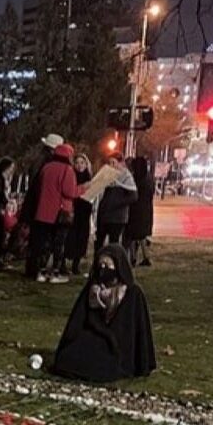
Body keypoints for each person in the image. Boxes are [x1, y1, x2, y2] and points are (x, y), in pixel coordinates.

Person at [52, 244, 157, 382]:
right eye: (100, 265)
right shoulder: (92, 290)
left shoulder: (132, 293)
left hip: (118, 343)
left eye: (108, 265)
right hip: (94, 335)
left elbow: (132, 330)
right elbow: (79, 319)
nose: (103, 269)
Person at [25, 143, 80, 283]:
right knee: (58, 244)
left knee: (45, 244)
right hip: (60, 213)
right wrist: (82, 189)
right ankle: (55, 273)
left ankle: (41, 272)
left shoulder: (47, 167)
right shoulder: (67, 170)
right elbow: (69, 192)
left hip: (43, 212)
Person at [95, 157, 138, 252]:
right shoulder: (105, 175)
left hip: (117, 217)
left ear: (121, 163)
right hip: (104, 215)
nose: (112, 165)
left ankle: (112, 263)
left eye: (114, 162)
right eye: (109, 163)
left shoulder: (126, 177)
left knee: (113, 243)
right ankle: (97, 262)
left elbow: (133, 196)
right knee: (99, 241)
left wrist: (116, 202)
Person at [64, 153, 94, 274]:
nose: (79, 165)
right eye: (77, 163)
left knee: (82, 238)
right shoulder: (72, 176)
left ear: (86, 164)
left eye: (82, 163)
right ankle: (63, 263)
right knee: (70, 237)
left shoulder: (89, 178)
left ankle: (76, 265)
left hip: (85, 211)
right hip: (74, 210)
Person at [124, 156, 155, 266]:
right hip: (146, 210)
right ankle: (145, 257)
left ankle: (132, 258)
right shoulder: (149, 178)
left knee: (131, 235)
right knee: (141, 236)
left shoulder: (136, 179)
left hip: (135, 211)